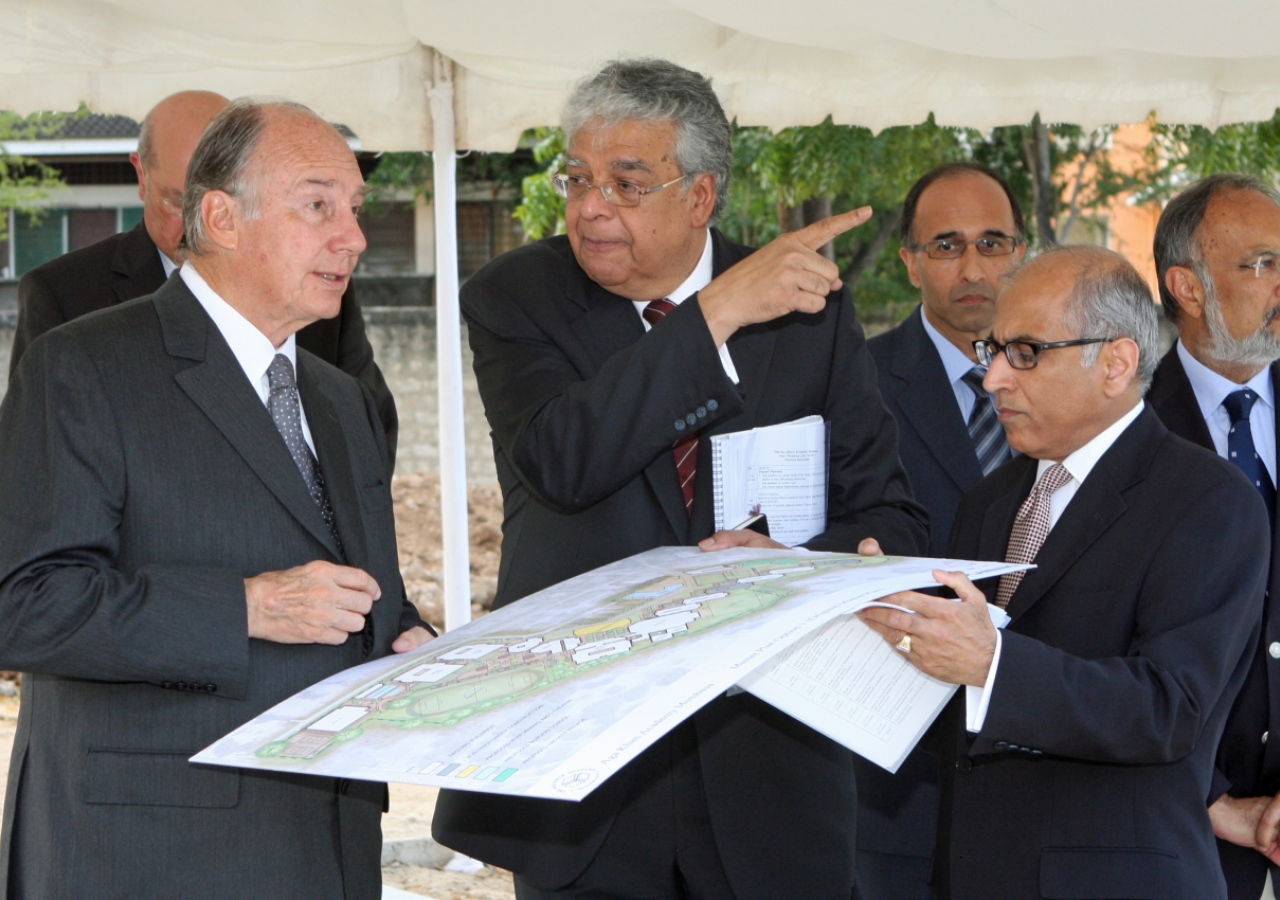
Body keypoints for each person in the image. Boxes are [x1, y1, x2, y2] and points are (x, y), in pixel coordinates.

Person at [431, 58, 928, 900]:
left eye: (625, 185)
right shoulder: (516, 297)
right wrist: (717, 313)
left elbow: (890, 515)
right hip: (588, 775)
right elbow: (564, 458)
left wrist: (796, 568)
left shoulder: (810, 310)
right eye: (577, 178)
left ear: (699, 197)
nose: (591, 207)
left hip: (770, 769)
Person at [0, 98, 432, 900]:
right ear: (223, 218)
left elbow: (362, 591)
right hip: (147, 850)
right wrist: (244, 608)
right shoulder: (84, 366)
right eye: (318, 206)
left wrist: (408, 639)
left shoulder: (340, 399)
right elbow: (23, 604)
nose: (354, 237)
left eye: (356, 210)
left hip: (325, 842)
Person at [861, 245, 1267, 900]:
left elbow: (1169, 709)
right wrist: (860, 613)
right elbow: (960, 704)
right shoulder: (990, 501)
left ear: (1116, 363)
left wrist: (993, 665)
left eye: (1024, 353)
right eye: (991, 350)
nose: (993, 378)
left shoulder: (1209, 502)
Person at [10, 89, 399, 465]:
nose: (197, 226)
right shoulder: (65, 306)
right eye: (178, 201)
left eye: (355, 208)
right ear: (141, 176)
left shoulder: (316, 295)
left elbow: (370, 445)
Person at [859, 163, 1025, 900]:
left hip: (1053, 764)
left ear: (1021, 252)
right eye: (947, 245)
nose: (973, 267)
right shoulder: (857, 385)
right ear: (910, 262)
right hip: (906, 779)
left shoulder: (1086, 382)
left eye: (993, 243)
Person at [1149, 173, 1280, 900]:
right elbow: (1101, 642)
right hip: (1186, 841)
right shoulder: (1123, 433)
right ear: (1188, 287)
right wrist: (1208, 798)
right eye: (1260, 264)